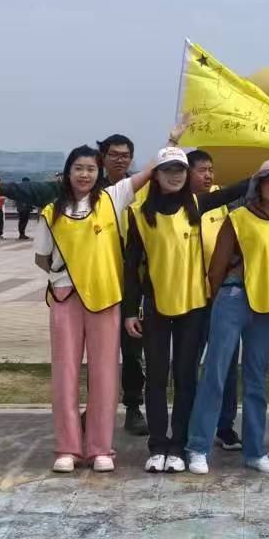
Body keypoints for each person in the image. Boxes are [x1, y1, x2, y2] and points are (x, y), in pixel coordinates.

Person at [32, 143, 156, 475]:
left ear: (98, 172)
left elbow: (148, 173)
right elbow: (42, 257)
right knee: (65, 373)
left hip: (104, 298)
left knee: (105, 373)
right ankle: (68, 448)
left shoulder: (111, 199)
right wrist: (68, 275)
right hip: (65, 297)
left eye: (90, 169)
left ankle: (101, 448)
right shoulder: (51, 212)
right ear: (68, 172)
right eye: (78, 168)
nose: (84, 174)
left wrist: (172, 141)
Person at [121, 144, 240, 473]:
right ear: (156, 176)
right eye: (168, 170)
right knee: (156, 378)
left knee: (186, 377)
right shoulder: (139, 214)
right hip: (156, 306)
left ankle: (178, 446)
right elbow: (132, 268)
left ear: (186, 175)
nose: (174, 176)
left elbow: (238, 189)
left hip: (194, 305)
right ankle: (157, 445)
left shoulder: (197, 204)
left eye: (179, 170)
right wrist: (130, 311)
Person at [186, 158, 269, 474]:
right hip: (234, 298)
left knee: (256, 378)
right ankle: (198, 447)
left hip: (266, 306)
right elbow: (217, 268)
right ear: (258, 185)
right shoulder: (237, 217)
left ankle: (254, 451)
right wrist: (219, 299)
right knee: (215, 372)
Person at [189, 148, 243, 450]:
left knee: (226, 363)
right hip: (188, 298)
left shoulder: (224, 200)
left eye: (210, 169)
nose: (208, 175)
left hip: (220, 296)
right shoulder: (178, 204)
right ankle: (189, 423)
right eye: (202, 170)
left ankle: (225, 426)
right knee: (188, 363)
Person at [97, 132, 150, 435]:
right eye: (114, 154)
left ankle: (133, 406)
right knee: (100, 352)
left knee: (132, 351)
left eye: (125, 155)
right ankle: (96, 408)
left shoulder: (140, 188)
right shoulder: (91, 189)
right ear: (102, 157)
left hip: (133, 283)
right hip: (99, 282)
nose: (120, 159)